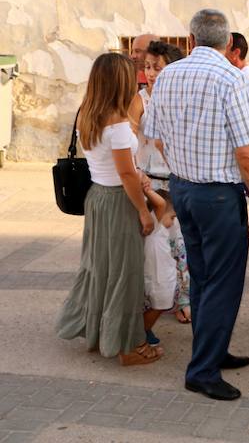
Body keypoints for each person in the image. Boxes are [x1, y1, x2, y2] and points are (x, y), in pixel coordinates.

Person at [144, 9, 249, 401]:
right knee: (223, 282)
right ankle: (202, 370)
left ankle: (210, 351)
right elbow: (248, 152)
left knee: (202, 277)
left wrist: (182, 164)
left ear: (191, 39)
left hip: (182, 189)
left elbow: (156, 135)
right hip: (217, 194)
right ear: (229, 43)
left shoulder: (167, 76)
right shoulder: (233, 78)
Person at [56, 53, 162, 366]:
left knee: (100, 268)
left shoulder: (87, 113)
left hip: (98, 197)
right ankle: (128, 346)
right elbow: (126, 174)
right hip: (118, 201)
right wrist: (144, 211)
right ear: (120, 81)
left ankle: (98, 333)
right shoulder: (116, 123)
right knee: (125, 275)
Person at [129, 40, 185, 193]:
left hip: (178, 181)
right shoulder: (140, 100)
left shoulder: (182, 100)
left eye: (157, 68)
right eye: (147, 67)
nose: (150, 74)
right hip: (148, 182)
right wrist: (136, 172)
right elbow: (128, 141)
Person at [141, 184, 180, 348]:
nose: (173, 221)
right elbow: (160, 204)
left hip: (162, 275)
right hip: (158, 279)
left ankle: (144, 330)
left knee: (158, 306)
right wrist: (146, 188)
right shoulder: (155, 226)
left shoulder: (160, 229)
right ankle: (141, 332)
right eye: (172, 217)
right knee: (159, 306)